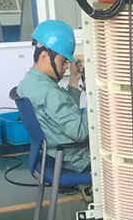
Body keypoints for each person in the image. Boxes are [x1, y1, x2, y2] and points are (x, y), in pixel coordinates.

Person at [17, 20, 89, 174]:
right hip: (78, 159)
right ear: (44, 56)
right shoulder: (50, 92)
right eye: (63, 61)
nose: (66, 67)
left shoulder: (28, 83)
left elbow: (63, 113)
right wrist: (97, 100)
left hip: (53, 155)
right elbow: (81, 132)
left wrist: (74, 80)